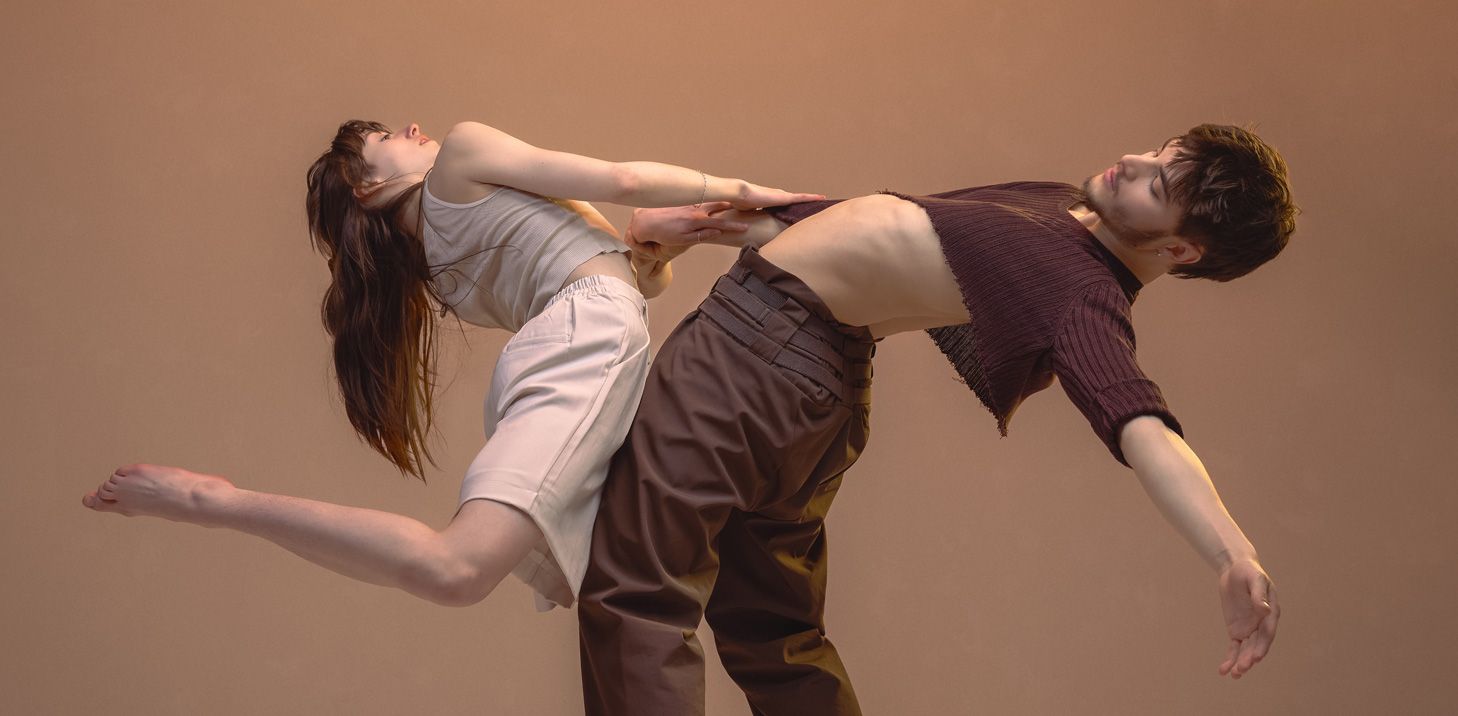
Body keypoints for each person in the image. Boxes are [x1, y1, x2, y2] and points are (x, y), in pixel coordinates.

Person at [578, 123, 1294, 714]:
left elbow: (1139, 421)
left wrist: (1231, 552)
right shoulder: (1062, 209)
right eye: (1159, 150)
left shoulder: (1083, 296)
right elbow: (873, 228)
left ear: (1177, 251)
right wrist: (704, 225)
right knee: (774, 630)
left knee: (638, 593)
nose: (1134, 160)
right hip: (807, 378)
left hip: (754, 359)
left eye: (1158, 184)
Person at [80, 119, 819, 611]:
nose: (410, 126)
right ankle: (213, 501)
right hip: (587, 336)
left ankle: (220, 504)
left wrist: (649, 250)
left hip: (573, 339)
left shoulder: (443, 272)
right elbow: (620, 183)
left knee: (480, 570)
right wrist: (742, 193)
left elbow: (606, 282)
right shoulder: (463, 152)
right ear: (368, 187)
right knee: (456, 568)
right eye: (383, 136)